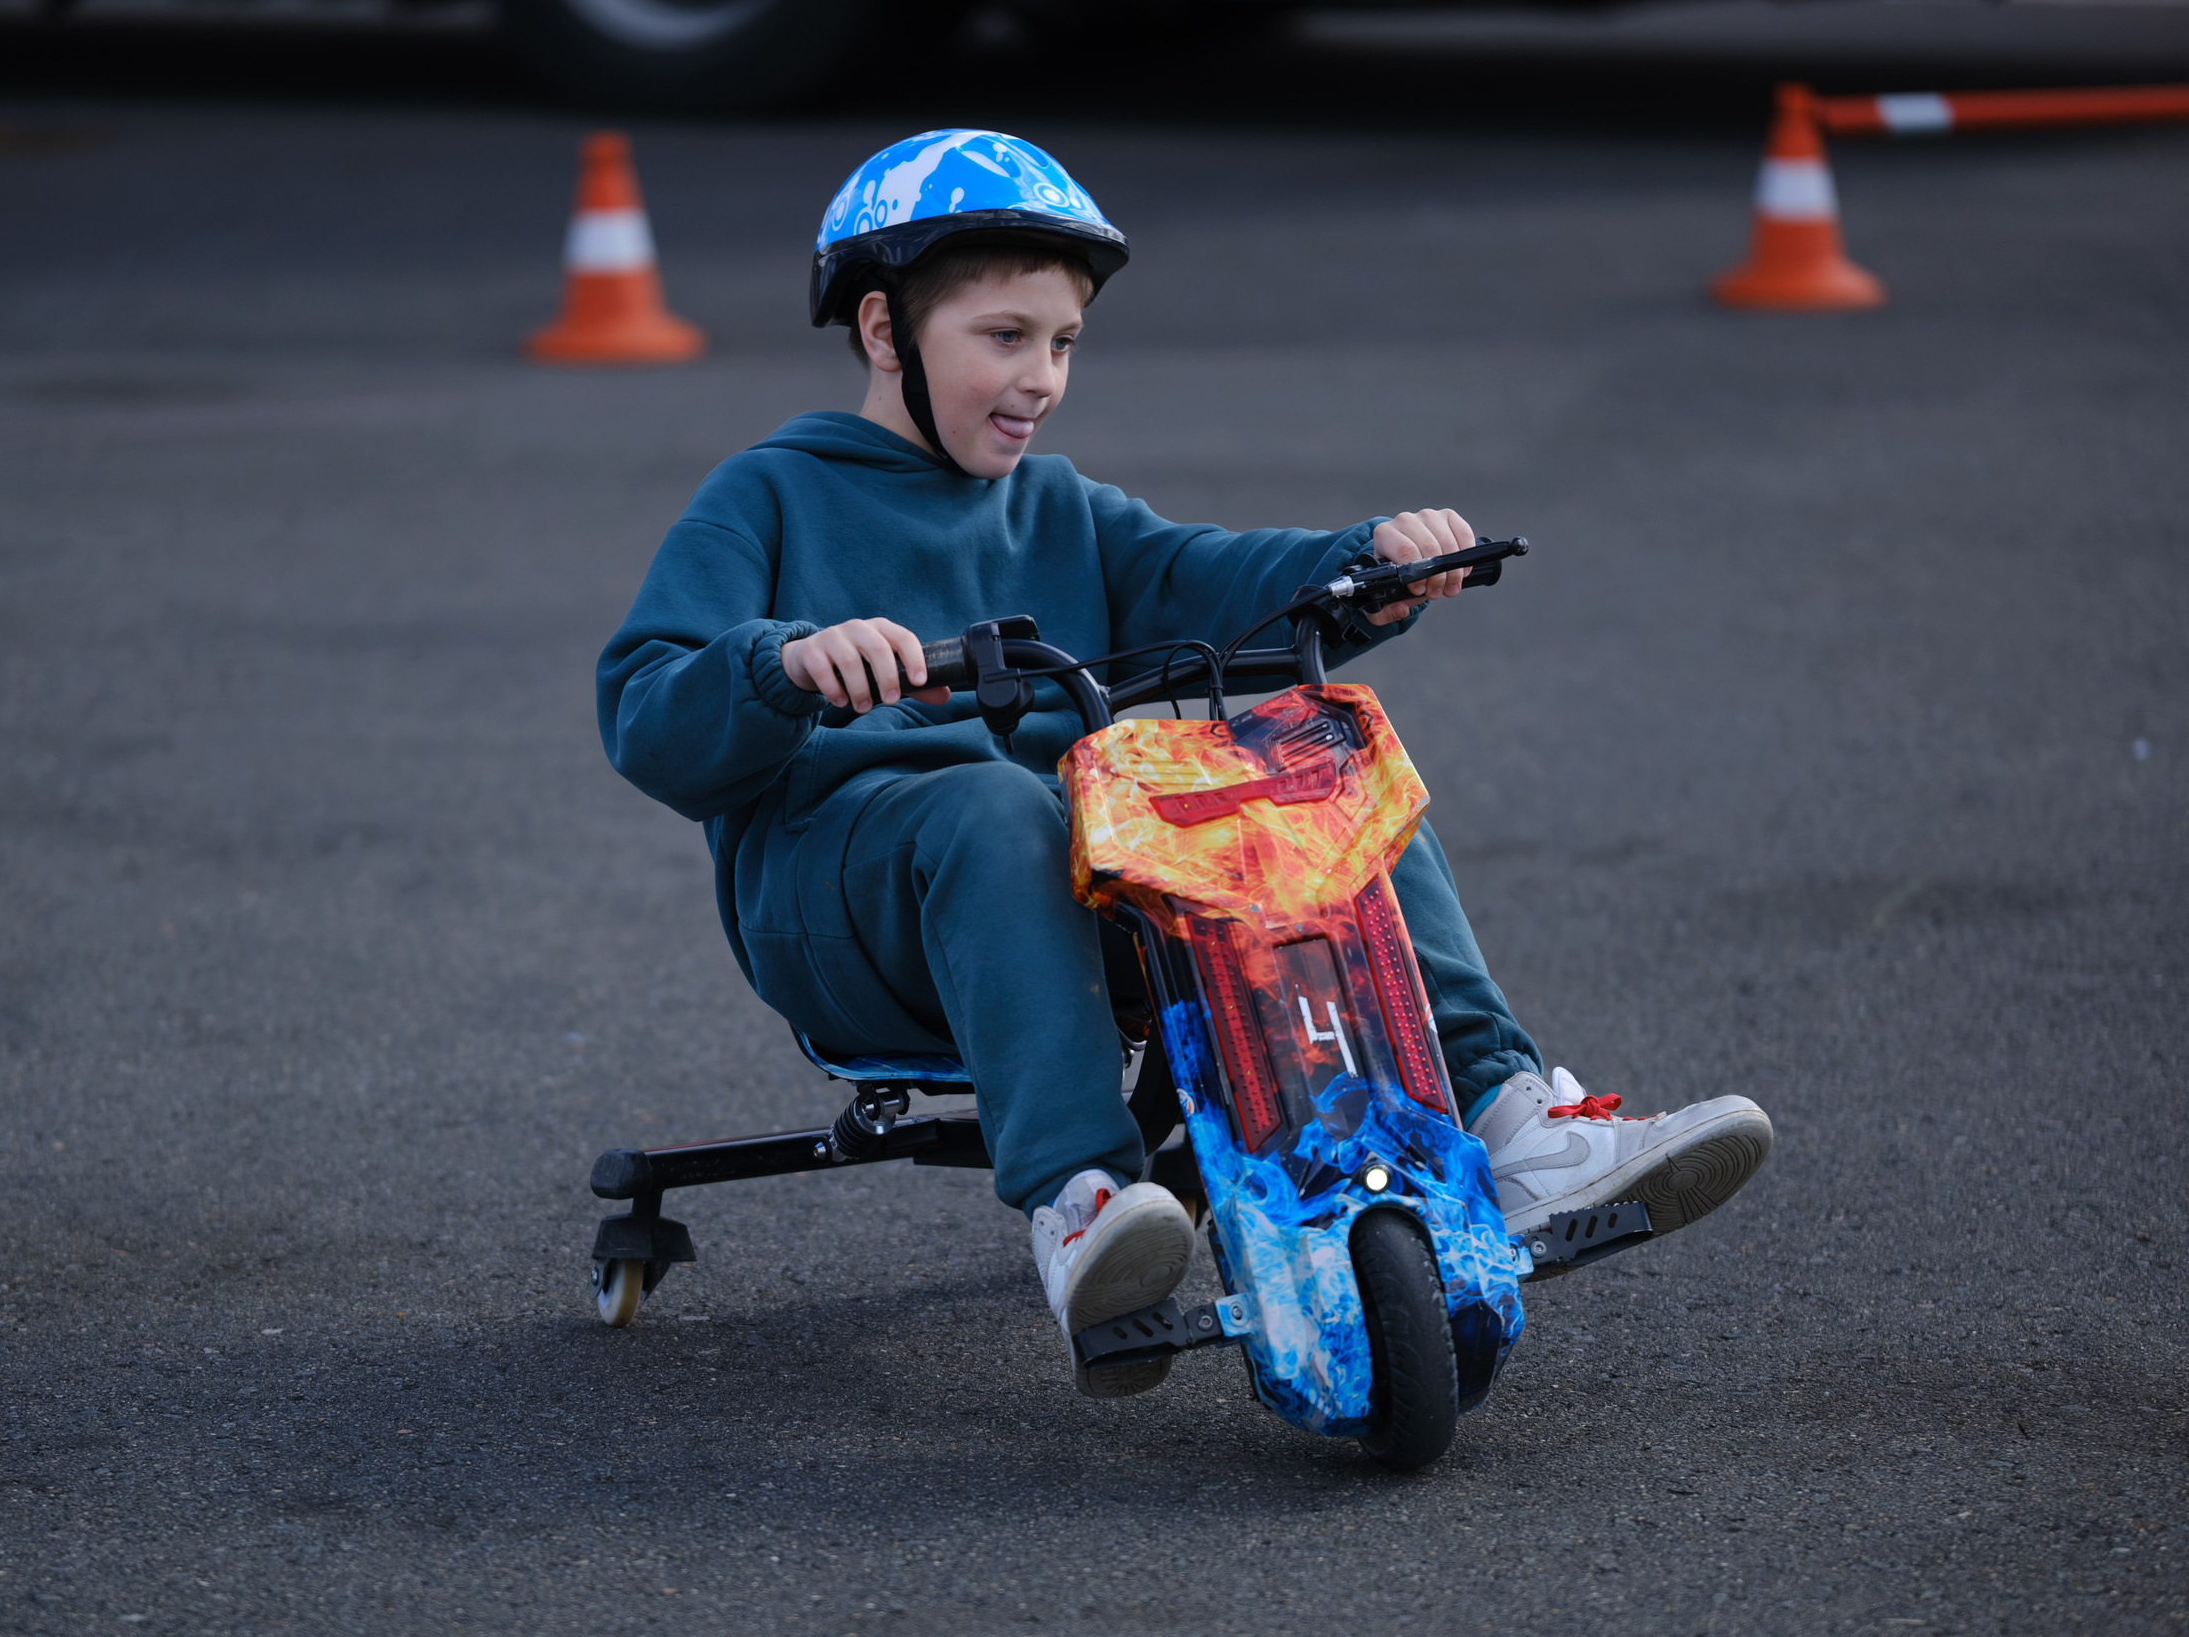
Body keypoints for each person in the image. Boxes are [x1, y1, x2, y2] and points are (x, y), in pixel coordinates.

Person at [597, 130, 1771, 1396]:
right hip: (848, 914)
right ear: (884, 330)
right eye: (1003, 336)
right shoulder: (769, 498)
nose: (1040, 376)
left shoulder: (1061, 508)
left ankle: (1510, 1117)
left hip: (1074, 900)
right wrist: (779, 664)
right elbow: (646, 709)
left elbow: (1207, 577)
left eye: (1061, 344)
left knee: (1322, 750)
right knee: (993, 801)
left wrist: (1365, 565)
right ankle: (1080, 1195)